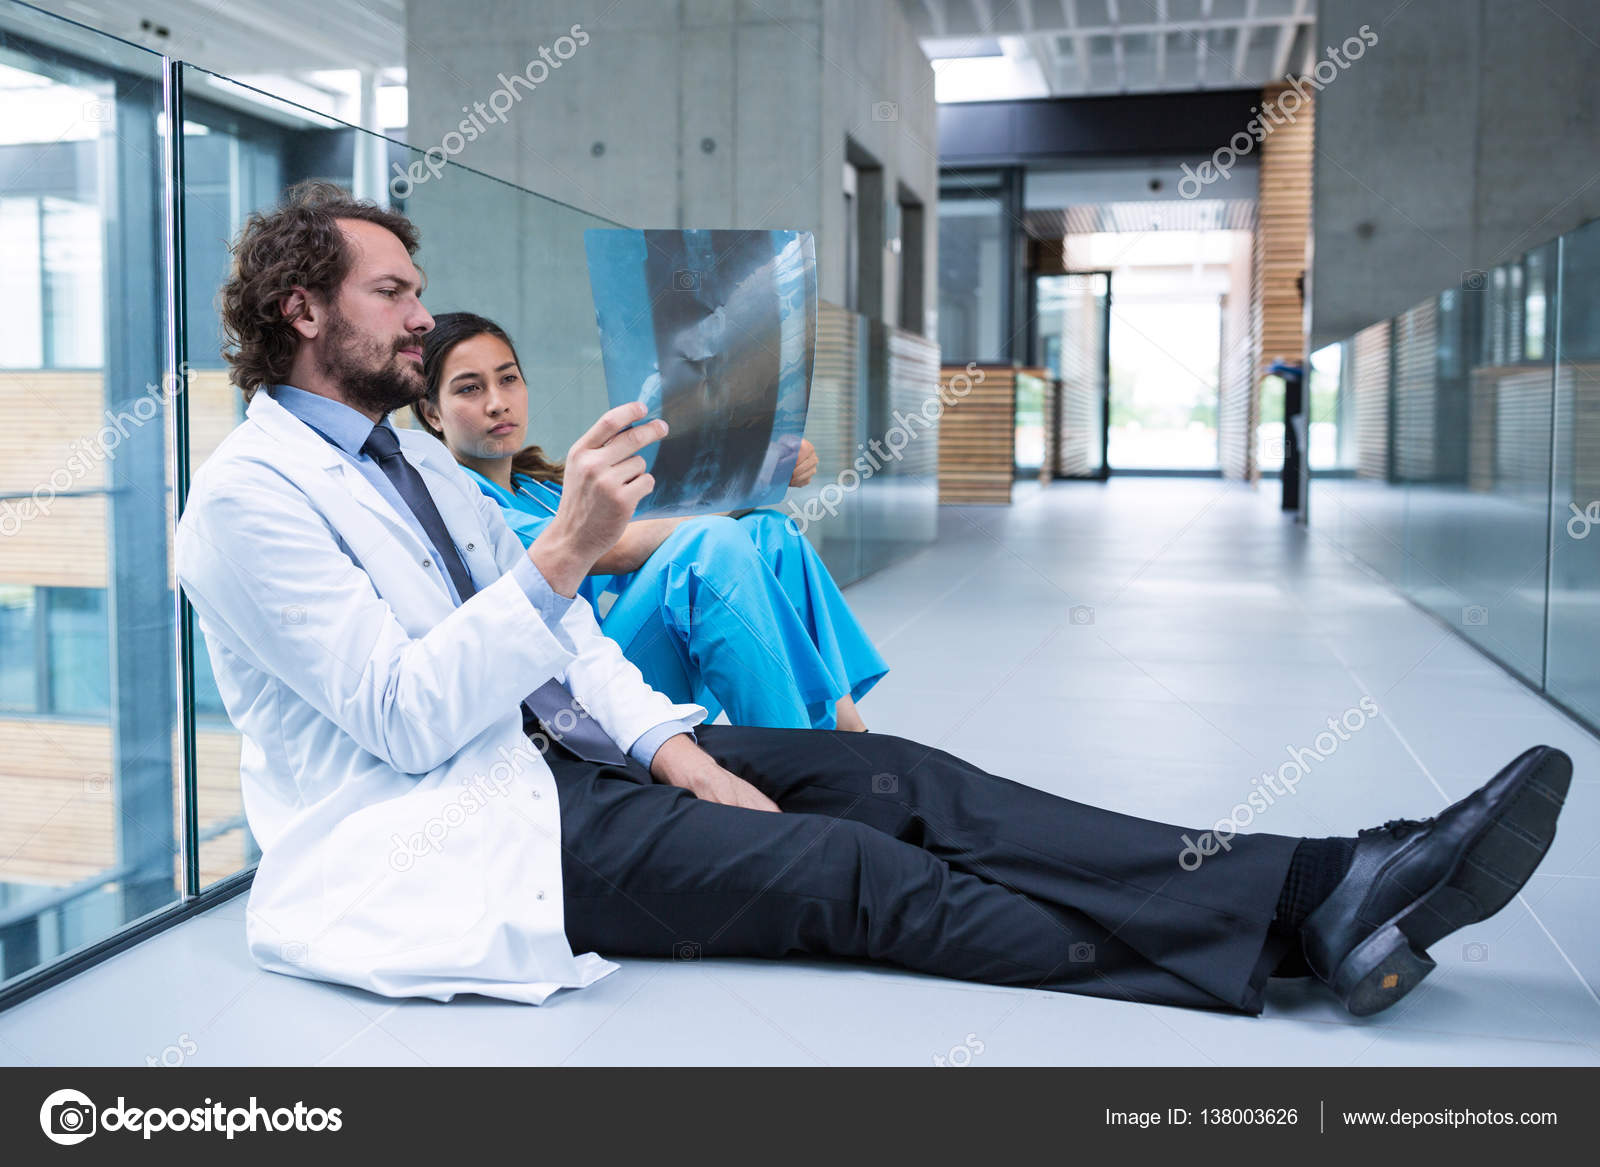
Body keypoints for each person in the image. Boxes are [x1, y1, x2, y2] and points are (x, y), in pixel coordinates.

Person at [175, 181, 1573, 1019]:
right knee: (859, 874)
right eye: (395, 293)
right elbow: (408, 721)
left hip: (570, 765)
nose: (422, 318)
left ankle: (1328, 880)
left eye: (416, 290)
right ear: (305, 309)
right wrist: (559, 555)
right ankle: (1296, 936)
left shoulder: (411, 461)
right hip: (451, 832)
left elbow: (576, 647)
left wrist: (680, 753)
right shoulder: (244, 505)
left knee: (901, 777)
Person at [408, 311, 886, 732]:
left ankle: (843, 733)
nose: (497, 402)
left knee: (769, 532)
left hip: (614, 662)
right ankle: (796, 757)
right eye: (470, 388)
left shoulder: (545, 489)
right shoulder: (461, 501)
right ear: (431, 413)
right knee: (711, 542)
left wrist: (768, 467)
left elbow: (665, 515)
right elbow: (618, 547)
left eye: (508, 379)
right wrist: (755, 482)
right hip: (564, 702)